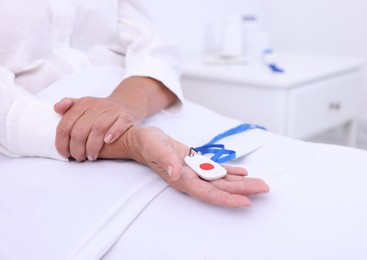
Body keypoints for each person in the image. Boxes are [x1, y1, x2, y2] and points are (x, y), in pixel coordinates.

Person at [0, 0, 269, 208]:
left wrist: (121, 108)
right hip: (38, 139)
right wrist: (127, 141)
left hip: (141, 108)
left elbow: (156, 48)